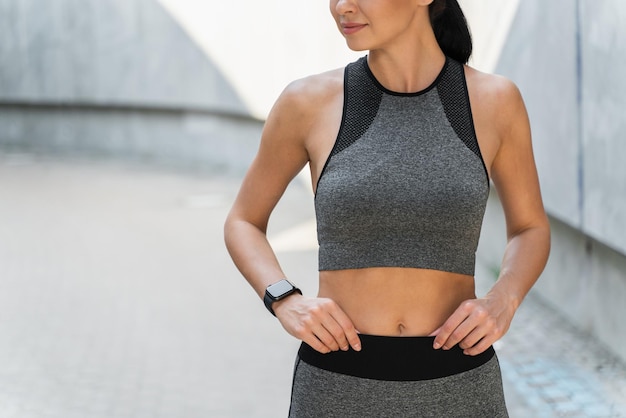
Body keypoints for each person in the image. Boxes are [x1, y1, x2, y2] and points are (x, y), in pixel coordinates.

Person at [224, 0, 551, 416]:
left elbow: (530, 228)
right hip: (337, 385)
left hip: (460, 386)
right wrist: (284, 299)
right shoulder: (307, 103)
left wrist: (503, 300)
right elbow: (243, 220)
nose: (342, 6)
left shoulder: (495, 101)